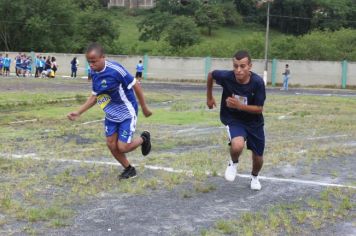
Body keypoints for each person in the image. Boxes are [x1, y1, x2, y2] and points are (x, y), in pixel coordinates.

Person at [67, 43, 152, 180]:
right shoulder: (94, 73)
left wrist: (145, 108)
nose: (91, 65)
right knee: (111, 144)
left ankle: (144, 139)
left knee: (123, 147)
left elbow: (135, 84)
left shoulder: (116, 70)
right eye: (89, 62)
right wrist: (79, 112)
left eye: (94, 61)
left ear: (103, 57)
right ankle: (129, 169)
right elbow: (95, 96)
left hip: (126, 112)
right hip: (110, 113)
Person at [206, 50, 266, 191]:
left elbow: (259, 108)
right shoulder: (227, 77)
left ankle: (255, 177)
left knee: (258, 158)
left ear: (250, 66)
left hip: (254, 122)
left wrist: (240, 106)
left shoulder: (257, 83)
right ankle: (233, 163)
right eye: (235, 66)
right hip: (234, 119)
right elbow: (211, 75)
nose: (238, 70)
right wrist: (209, 97)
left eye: (242, 66)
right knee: (237, 145)